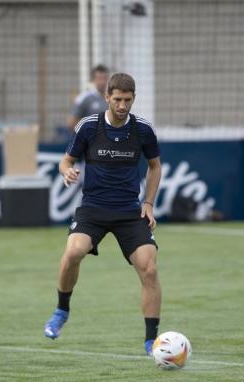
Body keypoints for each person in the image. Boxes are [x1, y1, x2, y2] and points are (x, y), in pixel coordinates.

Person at [44, 73, 163, 355]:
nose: (122, 105)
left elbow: (155, 167)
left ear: (134, 99)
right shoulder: (89, 126)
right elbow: (66, 160)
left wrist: (148, 204)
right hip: (93, 209)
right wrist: (66, 171)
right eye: (117, 99)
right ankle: (62, 310)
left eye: (128, 100)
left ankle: (151, 342)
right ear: (107, 97)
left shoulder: (143, 130)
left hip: (128, 211)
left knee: (150, 268)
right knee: (73, 252)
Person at [67, 64, 110, 131]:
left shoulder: (112, 98)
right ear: (93, 79)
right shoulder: (84, 97)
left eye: (105, 78)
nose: (103, 82)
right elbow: (71, 123)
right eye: (100, 78)